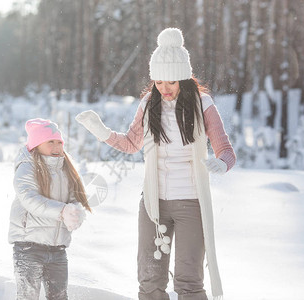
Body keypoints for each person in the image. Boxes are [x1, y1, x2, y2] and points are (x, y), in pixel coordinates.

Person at [75, 28, 236, 300]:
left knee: (189, 283)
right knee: (149, 282)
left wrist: (221, 163)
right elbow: (131, 144)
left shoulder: (203, 104)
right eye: (158, 82)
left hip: (191, 203)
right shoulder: (149, 103)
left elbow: (226, 150)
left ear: (184, 78)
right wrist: (101, 131)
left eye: (171, 82)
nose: (165, 89)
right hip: (152, 204)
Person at [8, 118, 92, 300]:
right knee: (28, 297)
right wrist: (62, 211)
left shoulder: (65, 169)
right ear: (37, 145)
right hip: (29, 246)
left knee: (59, 297)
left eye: (59, 142)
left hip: (57, 249)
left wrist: (76, 212)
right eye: (50, 142)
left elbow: (74, 198)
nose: (56, 146)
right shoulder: (27, 167)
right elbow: (30, 199)